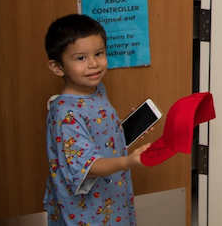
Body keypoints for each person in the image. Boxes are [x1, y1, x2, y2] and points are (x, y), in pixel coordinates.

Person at [44, 14, 151, 226]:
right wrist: (129, 161)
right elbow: (86, 165)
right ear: (57, 67)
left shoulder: (97, 90)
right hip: (87, 211)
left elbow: (97, 133)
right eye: (81, 58)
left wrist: (122, 129)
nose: (94, 64)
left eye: (99, 53)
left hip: (111, 197)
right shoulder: (67, 113)